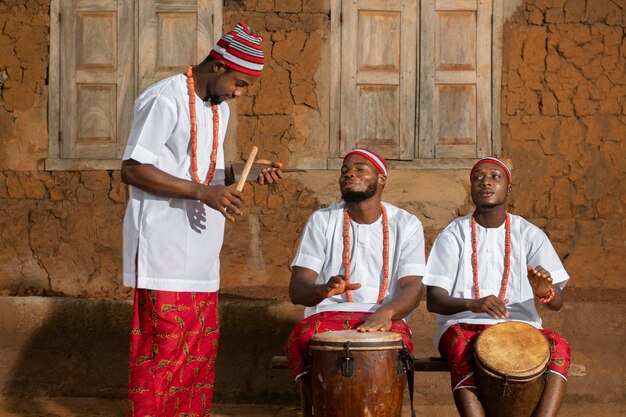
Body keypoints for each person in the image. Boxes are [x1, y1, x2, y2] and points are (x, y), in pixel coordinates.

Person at [121, 21, 283, 416]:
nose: (239, 94)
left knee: (196, 358)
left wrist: (238, 172)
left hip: (201, 258)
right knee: (163, 357)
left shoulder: (218, 109)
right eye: (239, 83)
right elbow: (133, 168)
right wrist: (203, 192)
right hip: (162, 252)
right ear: (217, 66)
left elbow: (197, 169)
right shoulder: (165, 98)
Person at [423, 157, 571, 417]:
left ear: (509, 189)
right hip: (463, 326)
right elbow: (434, 300)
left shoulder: (530, 235)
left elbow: (557, 303)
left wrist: (544, 291)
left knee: (559, 346)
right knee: (460, 347)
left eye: (495, 177)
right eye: (478, 178)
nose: (485, 182)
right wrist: (473, 303)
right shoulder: (453, 234)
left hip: (522, 330)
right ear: (471, 188)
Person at [285, 148, 425, 415]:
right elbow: (297, 289)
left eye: (360, 168)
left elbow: (413, 286)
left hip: (385, 315)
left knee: (396, 345)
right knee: (303, 338)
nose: (350, 173)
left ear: (381, 179)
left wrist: (388, 312)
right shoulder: (322, 220)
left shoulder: (406, 224)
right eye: (345, 170)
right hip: (327, 313)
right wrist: (322, 290)